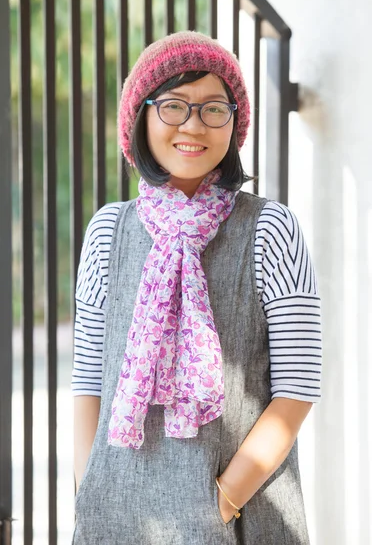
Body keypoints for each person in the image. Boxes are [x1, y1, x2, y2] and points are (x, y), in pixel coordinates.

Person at [72, 31, 322, 545]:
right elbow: (89, 382)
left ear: (234, 123)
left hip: (239, 518)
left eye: (214, 108)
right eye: (173, 106)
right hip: (115, 520)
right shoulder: (108, 231)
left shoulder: (270, 228)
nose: (193, 125)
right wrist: (88, 493)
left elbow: (298, 388)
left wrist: (221, 504)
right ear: (139, 118)